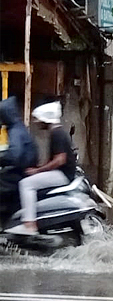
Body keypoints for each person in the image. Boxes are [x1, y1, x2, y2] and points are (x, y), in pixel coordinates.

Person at [20, 101, 77, 234]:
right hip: (63, 173)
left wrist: (37, 170)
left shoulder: (57, 134)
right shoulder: (57, 132)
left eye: (39, 119)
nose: (37, 122)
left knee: (26, 184)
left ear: (46, 119)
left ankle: (29, 224)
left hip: (62, 175)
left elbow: (59, 160)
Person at [0, 97, 38, 226]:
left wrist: (1, 158)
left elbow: (14, 155)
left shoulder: (15, 130)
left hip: (21, 171)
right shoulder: (18, 127)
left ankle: (5, 222)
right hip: (23, 169)